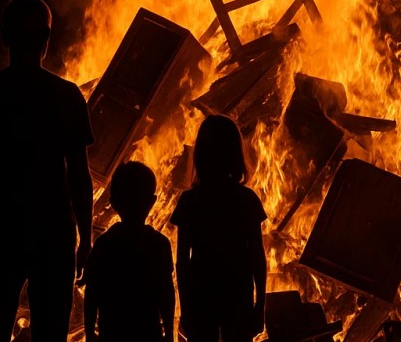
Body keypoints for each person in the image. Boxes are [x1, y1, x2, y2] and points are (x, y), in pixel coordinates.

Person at [0, 0, 95, 342]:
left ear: (5, 36)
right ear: (46, 38)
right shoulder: (66, 96)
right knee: (51, 333)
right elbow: (79, 174)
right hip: (54, 234)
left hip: (0, 230)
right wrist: (85, 238)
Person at [170, 115, 268, 342]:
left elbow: (182, 261)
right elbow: (257, 256)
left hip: (201, 294)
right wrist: (260, 305)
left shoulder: (190, 201)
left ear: (201, 155)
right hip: (238, 291)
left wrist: (186, 307)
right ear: (235, 154)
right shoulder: (246, 199)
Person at [82, 161, 175, 342]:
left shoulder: (104, 244)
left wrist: (89, 331)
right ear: (152, 202)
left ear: (113, 202)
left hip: (112, 331)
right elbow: (166, 293)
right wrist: (169, 332)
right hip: (148, 332)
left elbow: (92, 292)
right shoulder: (159, 244)